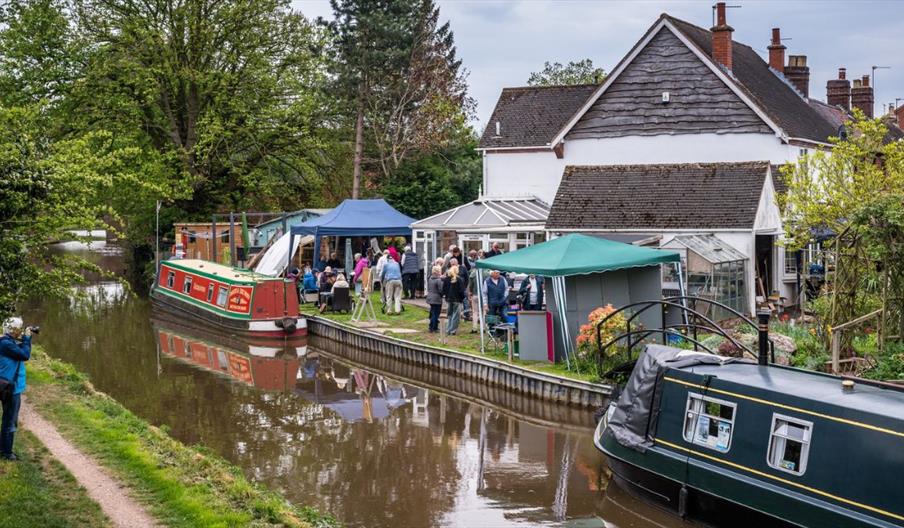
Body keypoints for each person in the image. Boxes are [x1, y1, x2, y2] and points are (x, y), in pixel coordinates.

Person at [0, 318, 32, 461]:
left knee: (8, 418)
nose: (20, 331)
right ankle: (7, 453)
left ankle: (3, 448)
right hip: (10, 388)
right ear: (13, 330)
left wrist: (24, 340)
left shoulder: (6, 342)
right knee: (10, 420)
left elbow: (19, 351)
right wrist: (27, 338)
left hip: (6, 385)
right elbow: (25, 355)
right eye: (18, 329)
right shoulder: (6, 344)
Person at [442, 265, 466, 335]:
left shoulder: (446, 279)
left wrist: (446, 297)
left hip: (449, 299)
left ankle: (448, 330)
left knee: (450, 315)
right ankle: (452, 331)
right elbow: (462, 291)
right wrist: (462, 298)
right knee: (456, 316)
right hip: (457, 300)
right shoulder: (459, 279)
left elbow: (444, 289)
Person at [425, 266, 444, 333]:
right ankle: (433, 327)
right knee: (436, 313)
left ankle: (431, 326)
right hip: (436, 298)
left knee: (433, 312)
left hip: (430, 297)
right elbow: (441, 290)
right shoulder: (438, 280)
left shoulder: (430, 278)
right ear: (438, 272)